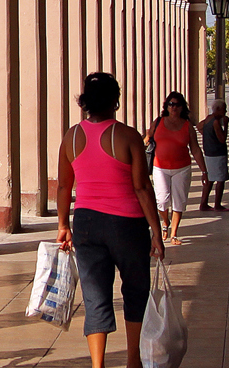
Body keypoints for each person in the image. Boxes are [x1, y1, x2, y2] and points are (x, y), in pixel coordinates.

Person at [56, 73, 165, 368]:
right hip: (127, 224)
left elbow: (65, 186)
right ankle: (133, 361)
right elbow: (142, 187)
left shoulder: (72, 136)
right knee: (135, 290)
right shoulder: (127, 136)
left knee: (95, 295)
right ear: (115, 100)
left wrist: (63, 224)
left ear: (85, 102)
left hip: (87, 223)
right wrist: (156, 231)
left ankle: (97, 364)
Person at [144, 91, 202, 246]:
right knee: (161, 201)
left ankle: (174, 233)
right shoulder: (158, 122)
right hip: (160, 167)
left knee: (179, 201)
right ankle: (165, 221)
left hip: (181, 168)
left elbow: (195, 148)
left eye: (177, 104)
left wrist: (204, 171)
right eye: (171, 104)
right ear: (166, 106)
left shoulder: (187, 126)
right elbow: (147, 138)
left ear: (182, 107)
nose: (174, 107)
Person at [198, 100, 229, 211]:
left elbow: (199, 126)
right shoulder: (216, 122)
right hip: (218, 153)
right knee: (220, 179)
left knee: (211, 178)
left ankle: (204, 203)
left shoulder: (208, 119)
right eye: (224, 109)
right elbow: (222, 139)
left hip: (209, 153)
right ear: (218, 109)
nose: (225, 111)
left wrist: (207, 135)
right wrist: (226, 126)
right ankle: (217, 204)